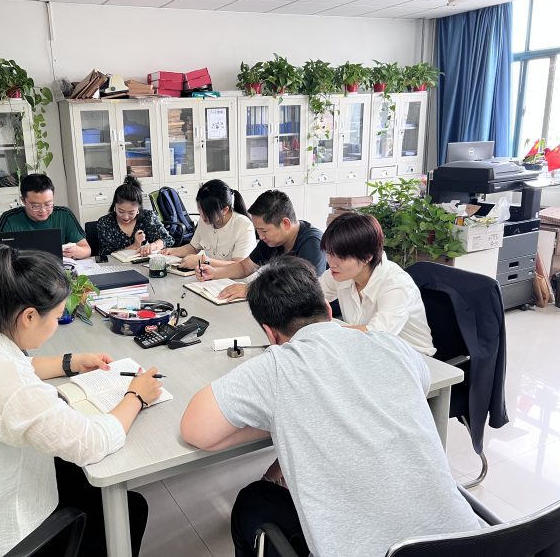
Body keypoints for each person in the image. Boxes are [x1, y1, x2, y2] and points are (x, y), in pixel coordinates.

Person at [180, 256, 480, 557]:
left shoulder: (277, 367)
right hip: (477, 544)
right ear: (327, 308)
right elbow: (417, 387)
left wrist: (284, 417)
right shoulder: (392, 346)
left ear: (270, 333)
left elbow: (197, 430)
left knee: (253, 501)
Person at [0, 245, 162, 556]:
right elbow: (92, 443)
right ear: (29, 316)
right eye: (56, 316)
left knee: (68, 469)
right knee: (130, 509)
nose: (57, 323)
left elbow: (18, 367)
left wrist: (71, 362)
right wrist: (136, 395)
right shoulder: (10, 385)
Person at [319, 211, 435, 356]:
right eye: (329, 253)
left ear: (367, 256)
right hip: (368, 352)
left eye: (341, 256)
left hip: (411, 358)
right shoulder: (340, 273)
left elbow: (377, 334)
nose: (331, 262)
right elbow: (307, 297)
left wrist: (324, 333)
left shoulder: (396, 284)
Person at [195, 190, 325, 300]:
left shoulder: (312, 242)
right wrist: (213, 273)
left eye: (264, 230)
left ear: (285, 223)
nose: (261, 237)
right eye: (258, 230)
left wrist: (252, 290)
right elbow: (245, 267)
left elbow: (303, 288)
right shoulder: (272, 240)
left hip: (318, 310)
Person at [0, 173, 91, 260]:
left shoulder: (64, 214)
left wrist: (75, 251)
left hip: (57, 270)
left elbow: (87, 250)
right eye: (35, 206)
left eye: (48, 204)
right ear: (23, 200)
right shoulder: (9, 219)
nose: (43, 210)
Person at [162, 179, 255, 269]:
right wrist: (171, 251)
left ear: (225, 210)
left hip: (234, 278)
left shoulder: (244, 226)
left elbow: (239, 266)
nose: (202, 216)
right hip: (211, 276)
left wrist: (203, 261)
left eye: (207, 212)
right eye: (200, 209)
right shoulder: (205, 220)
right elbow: (193, 248)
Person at [96, 175, 174, 257]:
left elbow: (168, 240)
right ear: (114, 205)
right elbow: (106, 254)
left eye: (131, 212)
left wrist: (153, 246)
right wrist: (135, 246)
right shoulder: (105, 222)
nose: (126, 217)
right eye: (121, 211)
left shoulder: (147, 217)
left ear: (138, 208)